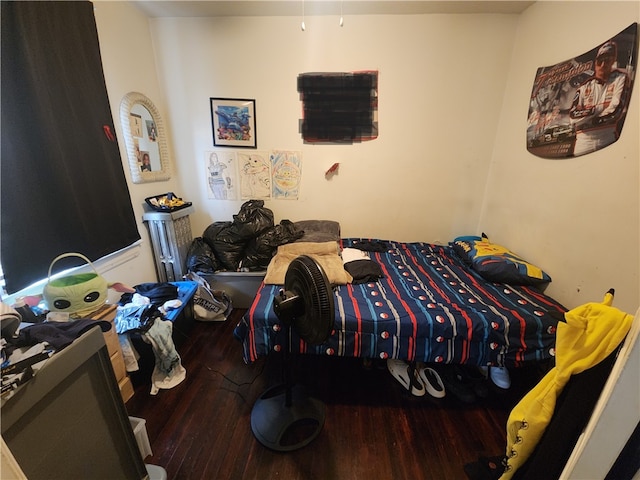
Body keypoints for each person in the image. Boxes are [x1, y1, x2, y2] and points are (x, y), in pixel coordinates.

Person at [569, 41, 630, 156]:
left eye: (607, 60)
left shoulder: (621, 78)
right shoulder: (583, 87)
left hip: (607, 138)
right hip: (583, 141)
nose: (602, 65)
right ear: (595, 62)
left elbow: (616, 110)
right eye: (600, 61)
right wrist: (598, 109)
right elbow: (573, 117)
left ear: (612, 61)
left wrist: (588, 117)